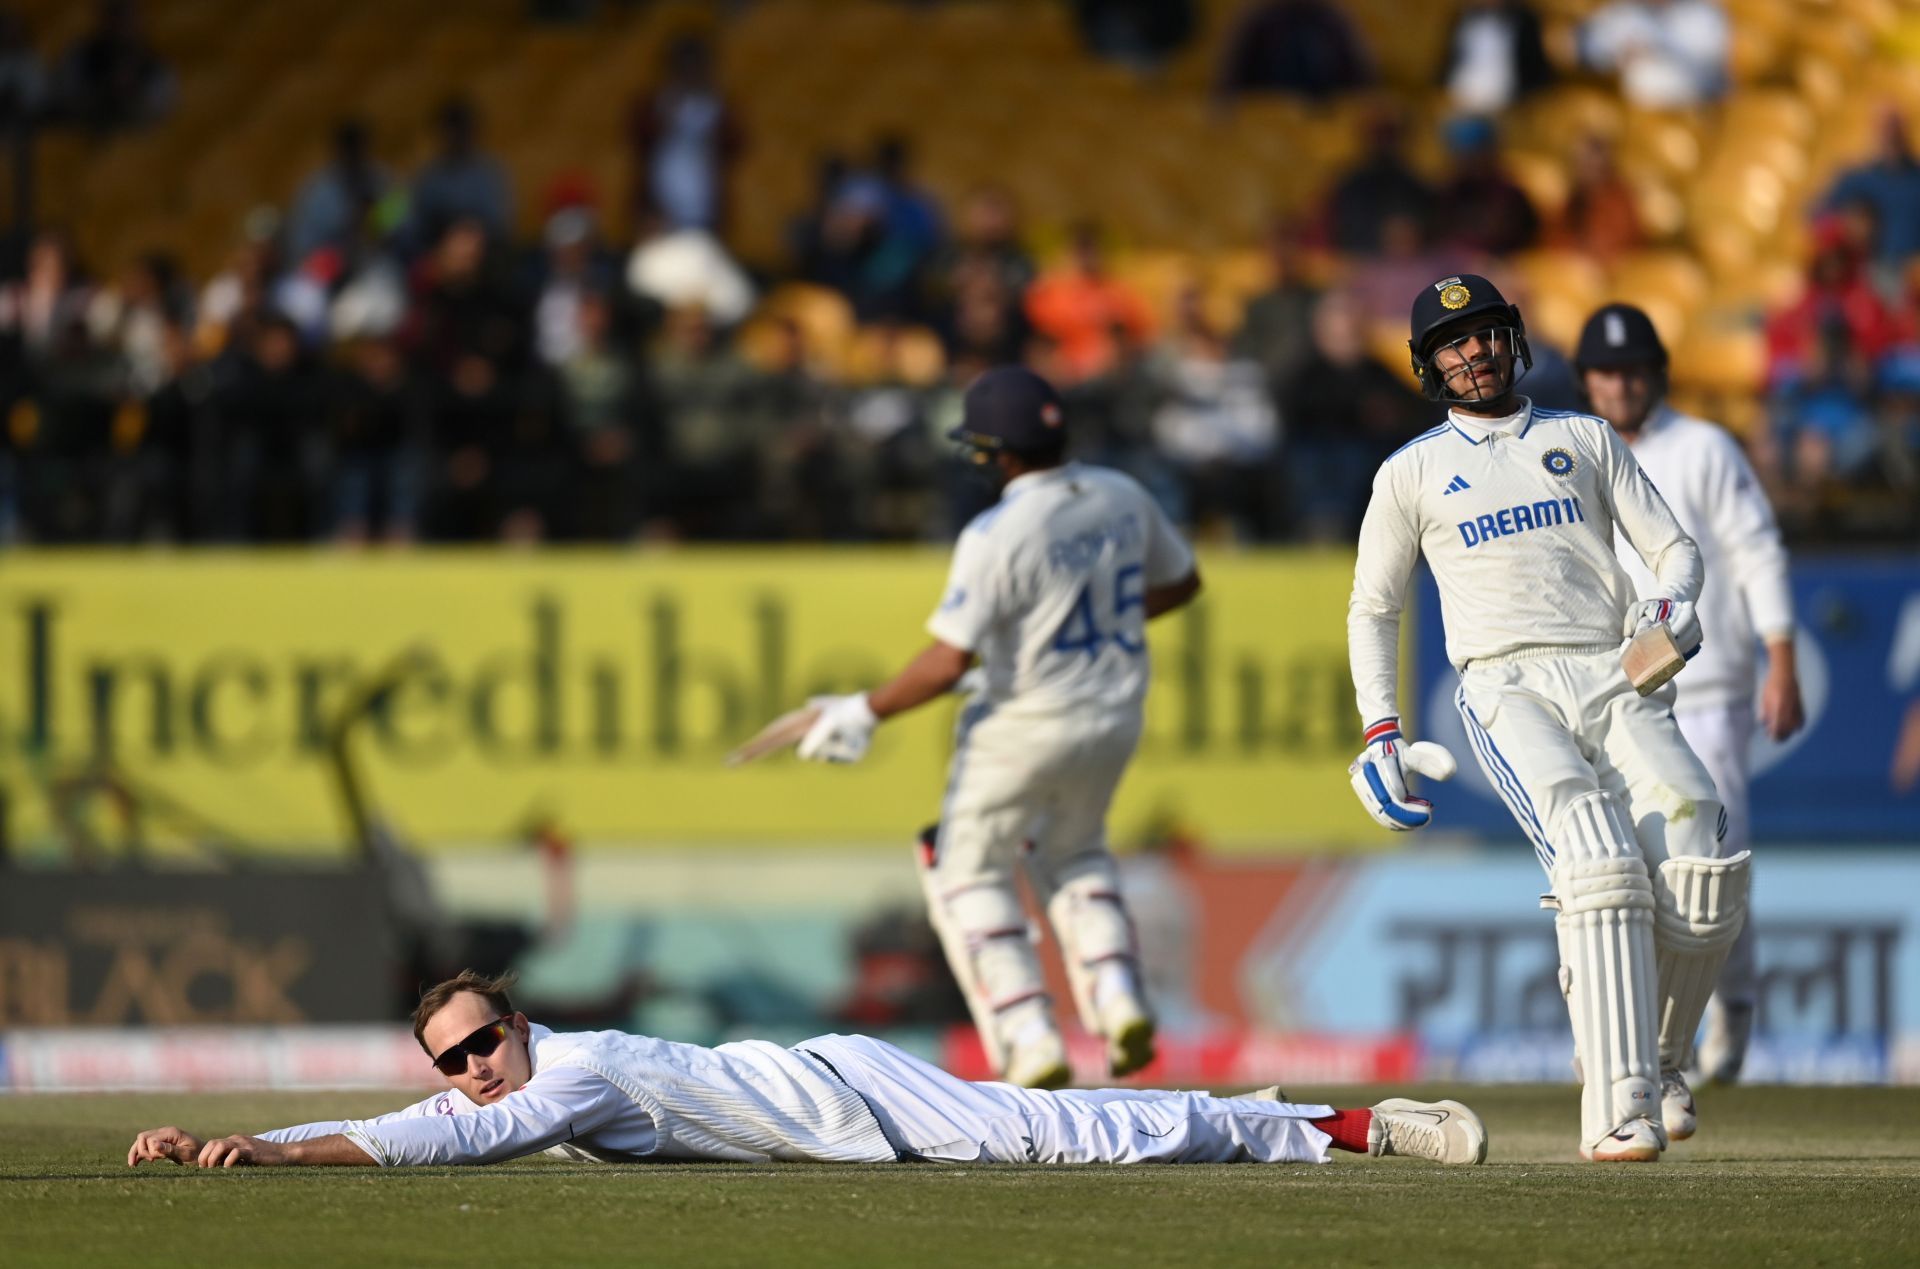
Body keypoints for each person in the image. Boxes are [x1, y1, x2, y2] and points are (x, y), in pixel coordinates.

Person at [1346, 273, 1746, 1162]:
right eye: (1454, 343)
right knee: (1598, 858)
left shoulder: (1583, 437)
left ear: (1512, 341)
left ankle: (1662, 1060)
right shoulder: (1409, 470)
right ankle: (1618, 1109)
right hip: (1504, 684)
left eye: (1486, 335)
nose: (1474, 354)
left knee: (1701, 860)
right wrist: (1380, 728)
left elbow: (1673, 548)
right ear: (1428, 364)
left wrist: (1668, 604)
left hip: (1614, 668)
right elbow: (1373, 608)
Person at [794, 367, 1198, 1089]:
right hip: (1113, 714)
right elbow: (1181, 582)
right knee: (1075, 852)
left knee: (963, 868)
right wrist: (1078, 641)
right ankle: (1118, 995)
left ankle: (1027, 1031)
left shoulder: (997, 530)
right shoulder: (1122, 493)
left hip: (1023, 724)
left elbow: (949, 659)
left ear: (994, 452)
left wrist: (863, 709)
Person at [127, 970, 1487, 1169]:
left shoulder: (573, 1069)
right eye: (454, 1057)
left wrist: (286, 1156)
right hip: (833, 1096)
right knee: (1073, 1125)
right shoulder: (516, 1074)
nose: (471, 1069)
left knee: (1073, 1140)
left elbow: (453, 1142)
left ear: (521, 1026)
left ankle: (1339, 1126)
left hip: (853, 1099)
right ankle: (1281, 1119)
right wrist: (236, 1146)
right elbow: (406, 1117)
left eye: (483, 1042)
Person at [1577, 303, 1802, 1091]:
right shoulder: (1574, 451)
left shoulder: (1703, 448)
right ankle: (1644, 1041)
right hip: (1615, 688)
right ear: (1587, 380)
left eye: (1633, 370)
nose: (1620, 384)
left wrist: (1781, 655)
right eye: (1606, 372)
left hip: (1705, 687)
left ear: (1658, 375)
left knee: (1706, 865)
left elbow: (1754, 547)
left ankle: (1730, 1003)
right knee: (1626, 870)